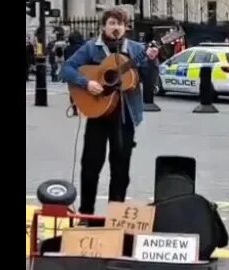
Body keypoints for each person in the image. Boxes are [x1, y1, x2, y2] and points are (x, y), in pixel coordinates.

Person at [60, 7, 158, 219]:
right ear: (104, 26)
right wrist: (86, 83)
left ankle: (116, 216)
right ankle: (86, 214)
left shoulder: (136, 50)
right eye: (112, 23)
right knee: (90, 166)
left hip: (125, 117)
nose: (116, 28)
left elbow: (149, 82)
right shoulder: (91, 48)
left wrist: (151, 61)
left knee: (121, 169)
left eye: (120, 24)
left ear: (126, 28)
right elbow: (65, 69)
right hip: (98, 115)